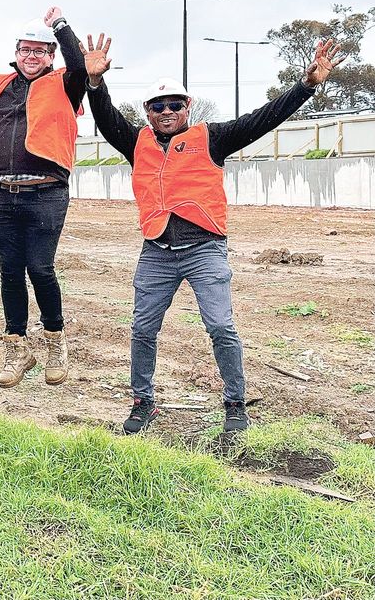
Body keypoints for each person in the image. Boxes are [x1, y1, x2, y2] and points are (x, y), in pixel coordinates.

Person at [82, 33, 346, 434]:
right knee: (142, 329)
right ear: (148, 112)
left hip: (205, 249)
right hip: (156, 250)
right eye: (157, 106)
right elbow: (105, 118)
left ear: (187, 106)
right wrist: (96, 83)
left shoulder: (212, 137)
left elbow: (264, 118)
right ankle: (143, 402)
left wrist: (306, 85)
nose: (166, 111)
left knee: (221, 327)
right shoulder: (136, 143)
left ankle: (235, 404)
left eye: (174, 104)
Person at [0, 8, 87, 389]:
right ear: (16, 53)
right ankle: (17, 348)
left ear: (51, 56)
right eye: (25, 50)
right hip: (3, 194)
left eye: (40, 51)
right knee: (9, 271)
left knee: (40, 268)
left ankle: (55, 341)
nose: (32, 57)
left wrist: (61, 27)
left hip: (46, 192)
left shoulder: (65, 83)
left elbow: (80, 67)